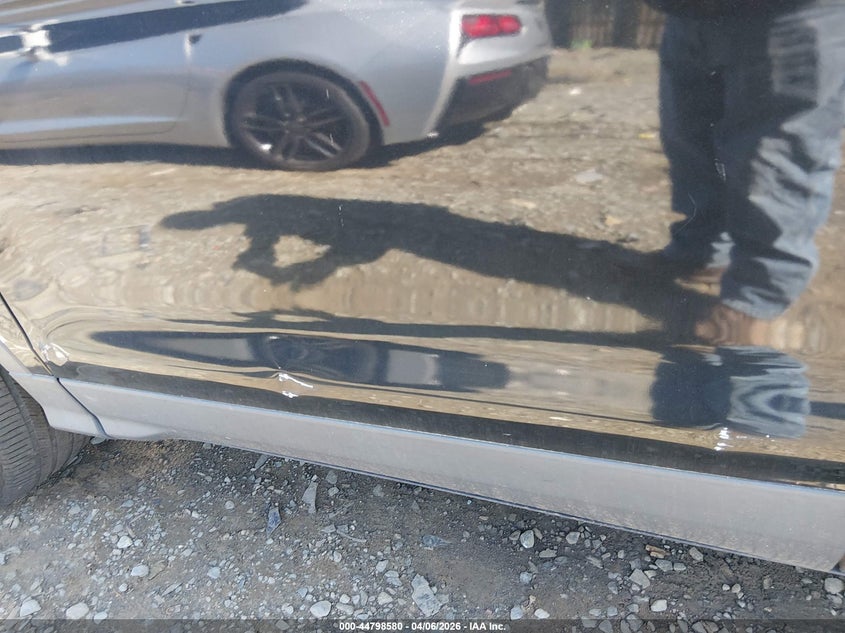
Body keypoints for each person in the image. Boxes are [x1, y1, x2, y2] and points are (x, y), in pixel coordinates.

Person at [640, 0, 845, 345]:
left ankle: (759, 301)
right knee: (689, 140)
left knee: (775, 157)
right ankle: (704, 252)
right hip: (690, 15)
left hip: (790, 12)